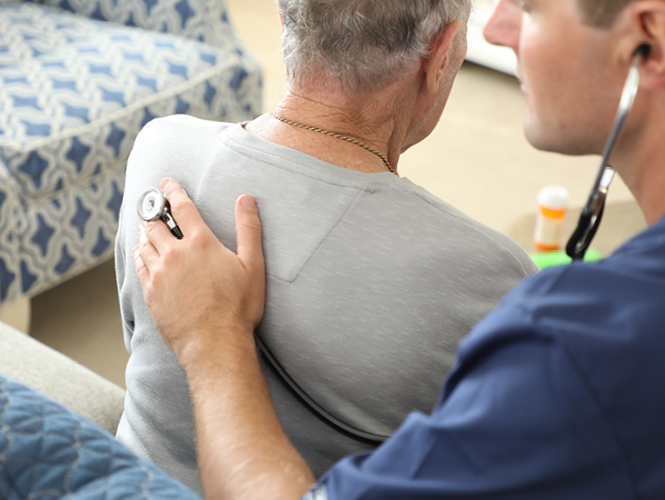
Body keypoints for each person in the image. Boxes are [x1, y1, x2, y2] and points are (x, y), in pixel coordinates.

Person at [132, 0, 665, 498]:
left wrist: (213, 335)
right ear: (439, 57)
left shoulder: (160, 150)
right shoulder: (491, 278)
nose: (500, 28)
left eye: (530, 5)